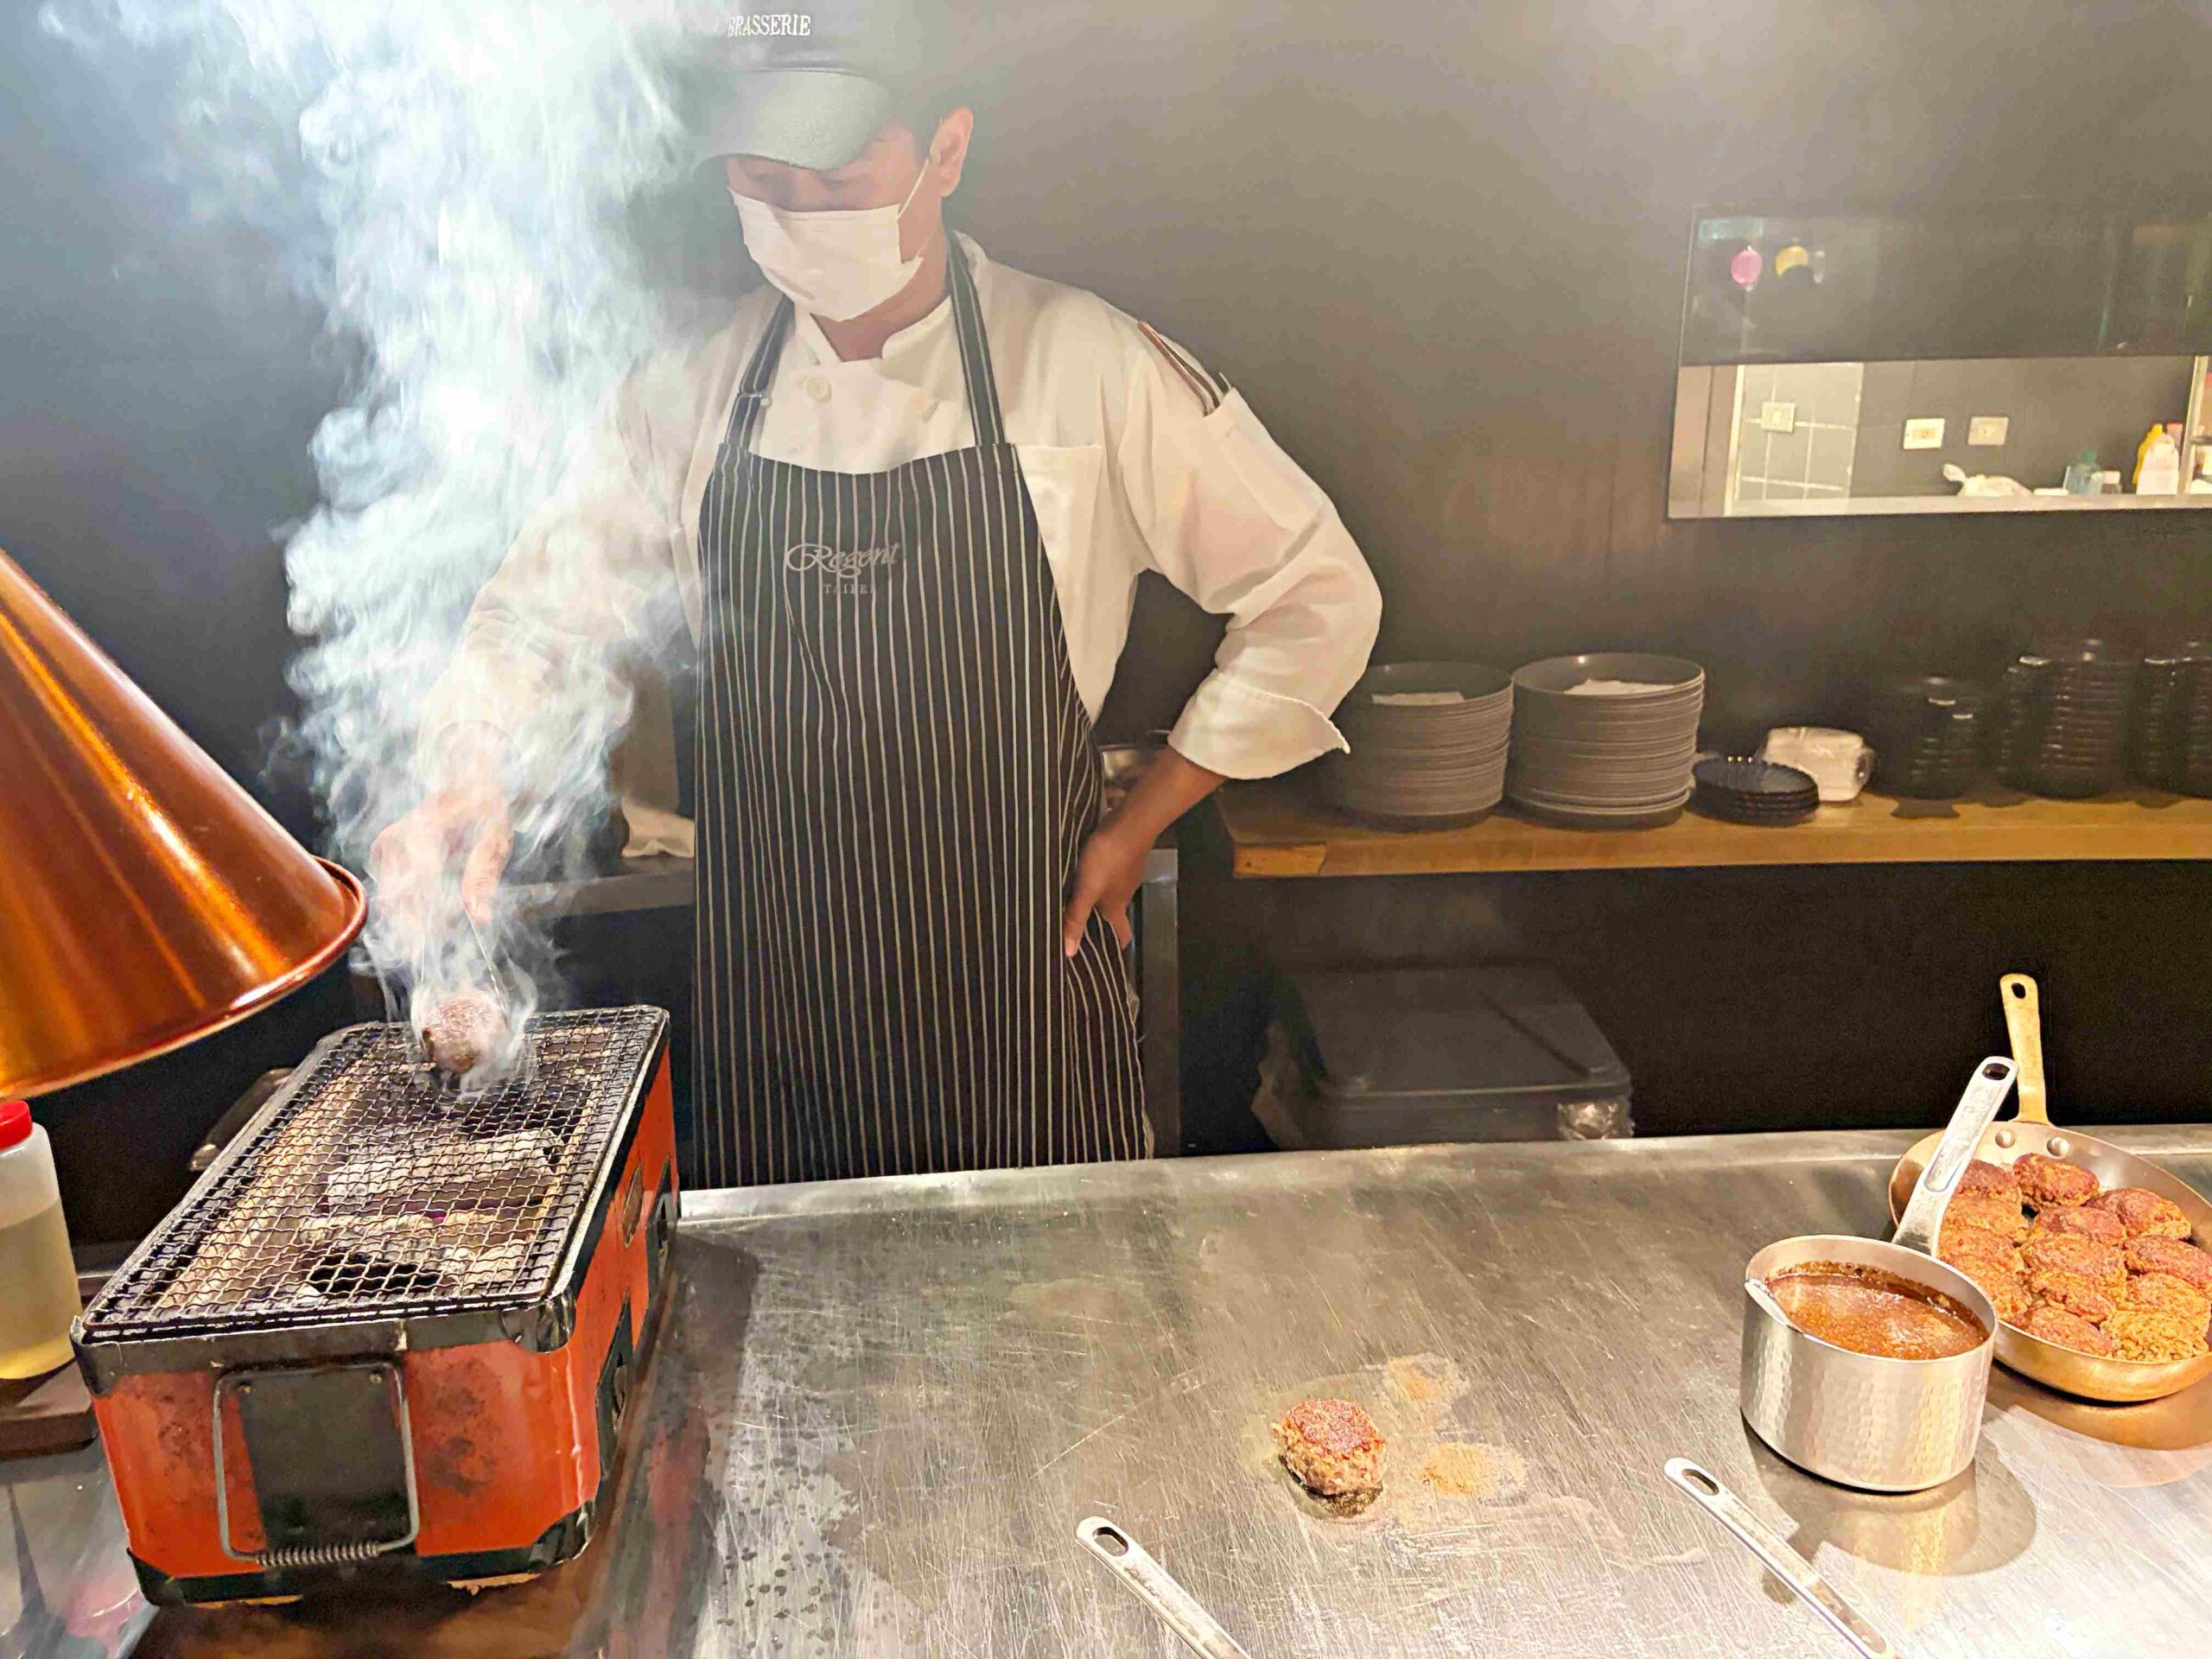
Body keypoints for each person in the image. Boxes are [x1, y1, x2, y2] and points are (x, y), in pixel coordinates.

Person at [377, 2, 1381, 1187]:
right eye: (762, 178)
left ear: (945, 153)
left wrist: (1139, 822)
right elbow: (538, 614)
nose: (798, 210)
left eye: (839, 174)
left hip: (1024, 1004)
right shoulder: (684, 396)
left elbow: (1317, 595)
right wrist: (471, 766)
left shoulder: (1082, 365)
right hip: (781, 1023)